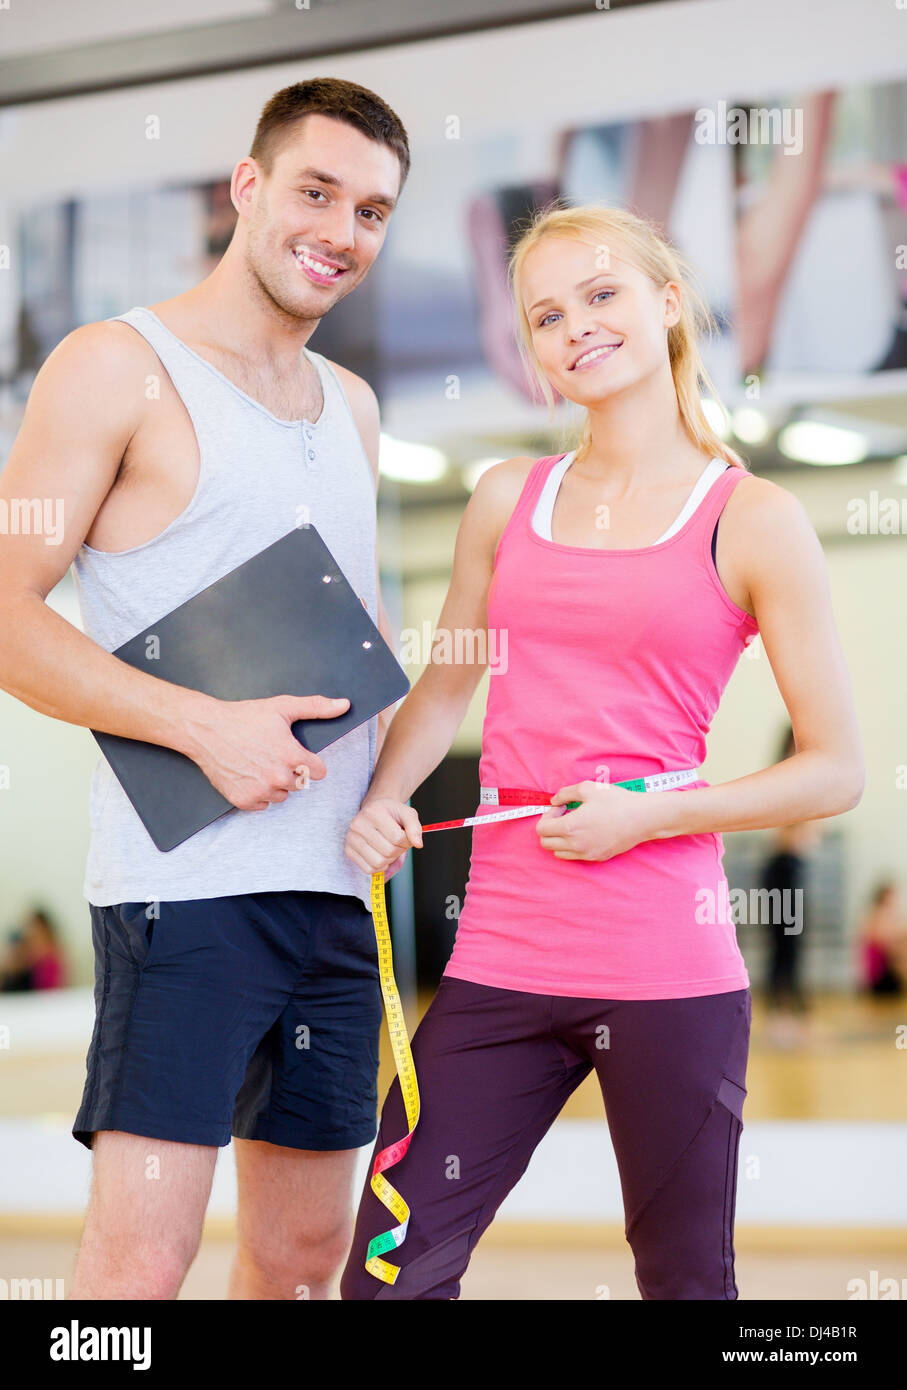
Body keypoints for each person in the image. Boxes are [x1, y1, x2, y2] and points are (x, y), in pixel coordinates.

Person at [339, 203, 865, 1301]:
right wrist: (382, 799)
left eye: (601, 293)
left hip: (668, 970)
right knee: (389, 1273)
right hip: (499, 958)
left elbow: (834, 768)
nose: (574, 325)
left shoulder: (751, 517)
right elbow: (443, 693)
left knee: (683, 1283)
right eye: (545, 313)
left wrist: (648, 815)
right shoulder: (502, 500)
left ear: (667, 302)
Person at [0, 78, 409, 1300]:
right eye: (316, 191)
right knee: (138, 1263)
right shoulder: (115, 364)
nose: (341, 229)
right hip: (186, 899)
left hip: (338, 894)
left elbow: (364, 639)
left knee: (300, 1259)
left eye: (373, 211)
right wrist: (202, 727)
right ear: (247, 186)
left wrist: (389, 788)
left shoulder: (357, 407)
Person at [759, 725, 824, 1044]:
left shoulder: (800, 773)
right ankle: (781, 1016)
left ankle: (792, 1014)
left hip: (791, 867)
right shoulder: (790, 774)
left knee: (791, 945)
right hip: (783, 868)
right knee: (785, 945)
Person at [858, 880, 907, 996]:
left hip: (888, 963)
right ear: (884, 896)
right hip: (881, 968)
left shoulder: (888, 915)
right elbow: (884, 940)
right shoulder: (877, 914)